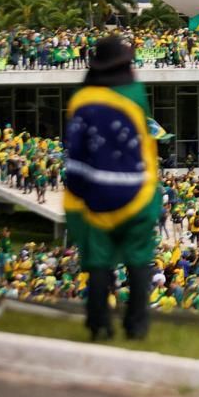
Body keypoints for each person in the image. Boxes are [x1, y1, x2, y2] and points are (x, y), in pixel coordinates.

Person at [63, 36, 161, 341]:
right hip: (137, 191)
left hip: (96, 191)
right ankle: (137, 325)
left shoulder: (80, 98)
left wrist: (78, 193)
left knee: (98, 261)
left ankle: (98, 323)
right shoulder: (135, 93)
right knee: (138, 258)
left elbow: (75, 150)